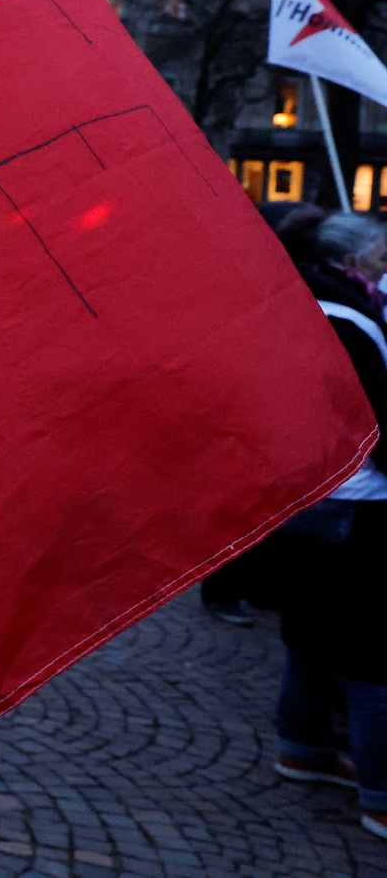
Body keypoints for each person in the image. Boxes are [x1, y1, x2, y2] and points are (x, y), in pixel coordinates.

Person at [270, 209, 387, 837]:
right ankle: (381, 792)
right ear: (350, 262)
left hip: (315, 490)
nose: (385, 265)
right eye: (379, 255)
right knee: (371, 651)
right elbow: (373, 415)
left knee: (310, 625)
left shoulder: (315, 304)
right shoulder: (347, 317)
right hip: (355, 498)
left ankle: (304, 746)